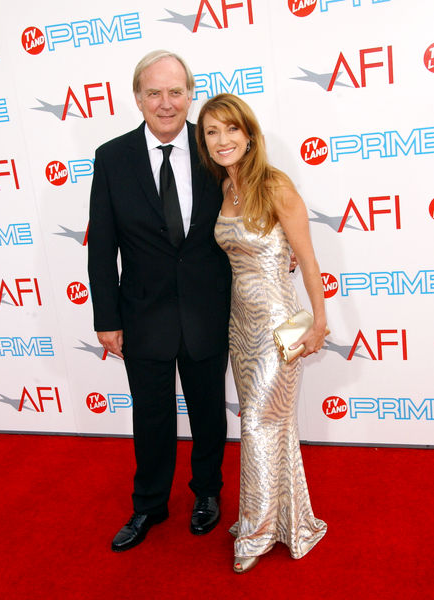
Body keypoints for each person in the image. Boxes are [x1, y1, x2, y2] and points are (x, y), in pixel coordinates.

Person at [87, 51, 232, 552]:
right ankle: (148, 505)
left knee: (209, 411)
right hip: (142, 313)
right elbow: (102, 244)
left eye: (176, 92)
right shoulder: (112, 157)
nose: (166, 103)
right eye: (154, 92)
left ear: (190, 94)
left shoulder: (216, 146)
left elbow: (251, 209)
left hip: (208, 309)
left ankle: (207, 494)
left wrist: (281, 252)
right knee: (149, 417)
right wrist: (106, 317)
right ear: (137, 97)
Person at [196, 93, 328, 573]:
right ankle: (286, 519)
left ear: (249, 135)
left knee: (255, 424)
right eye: (212, 132)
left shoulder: (274, 185)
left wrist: (319, 321)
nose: (223, 139)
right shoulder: (222, 190)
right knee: (273, 426)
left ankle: (254, 531)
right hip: (240, 326)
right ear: (204, 141)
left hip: (277, 327)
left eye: (232, 129)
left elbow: (309, 261)